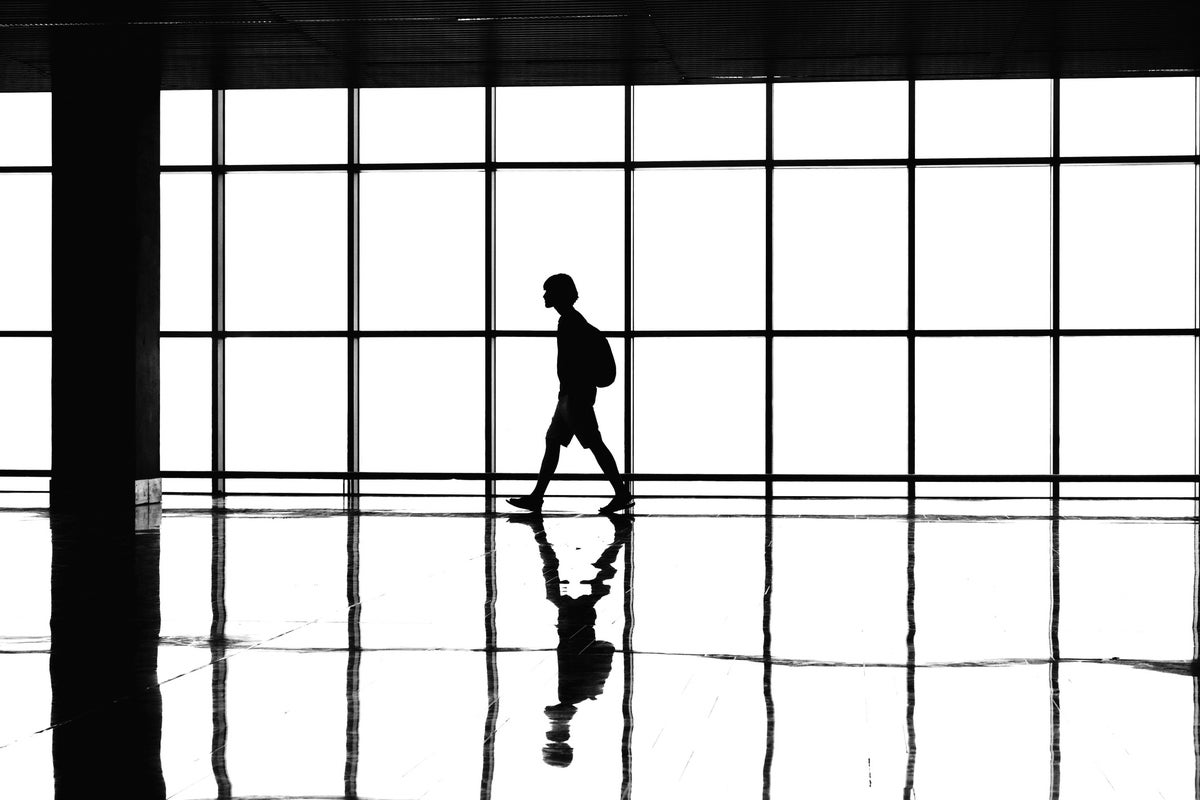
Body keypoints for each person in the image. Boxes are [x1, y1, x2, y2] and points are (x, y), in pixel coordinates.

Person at [508, 274, 633, 515]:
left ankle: (621, 493)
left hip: (574, 398)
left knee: (591, 444)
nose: (544, 296)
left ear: (559, 294)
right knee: (555, 442)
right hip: (570, 397)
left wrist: (571, 390)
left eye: (548, 292)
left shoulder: (570, 323)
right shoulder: (572, 321)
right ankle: (537, 496)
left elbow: (572, 364)